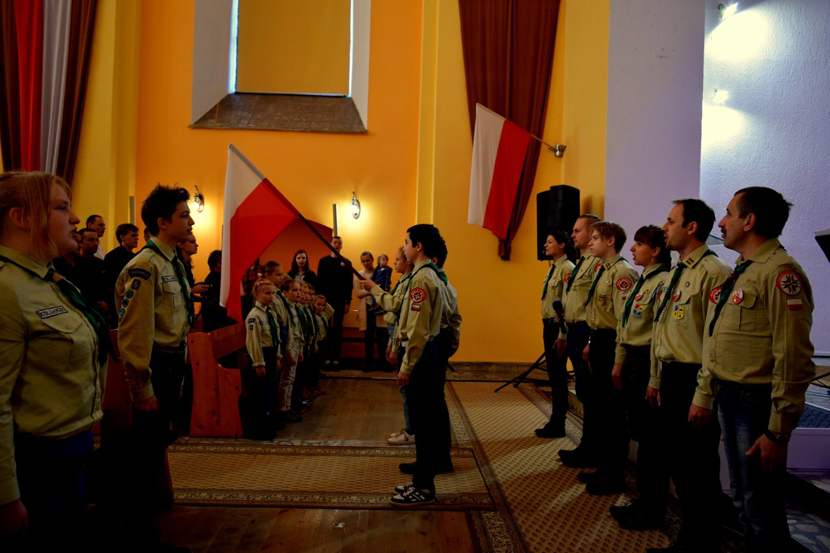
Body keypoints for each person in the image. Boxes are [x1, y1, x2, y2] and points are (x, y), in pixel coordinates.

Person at [691, 187, 815, 551]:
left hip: (756, 404)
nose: (722, 222)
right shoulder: (745, 270)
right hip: (732, 399)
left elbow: (793, 356)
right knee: (744, 500)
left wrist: (778, 431)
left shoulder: (779, 272)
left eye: (729, 213)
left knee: (760, 506)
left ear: (749, 221)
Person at [0, 172, 109, 551]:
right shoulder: (7, 287)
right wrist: (5, 496)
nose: (76, 218)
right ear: (22, 217)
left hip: (70, 454)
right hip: (34, 467)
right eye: (62, 208)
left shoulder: (47, 280)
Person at [646, 198, 732, 553]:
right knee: (680, 465)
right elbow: (663, 329)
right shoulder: (678, 272)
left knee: (697, 468)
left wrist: (704, 394)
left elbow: (714, 341)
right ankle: (692, 537)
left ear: (691, 227)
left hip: (694, 380)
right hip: (671, 375)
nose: (663, 228)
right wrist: (655, 379)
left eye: (670, 221)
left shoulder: (714, 272)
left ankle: (702, 541)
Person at [114, 184, 194, 553]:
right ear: (162, 222)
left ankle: (147, 528)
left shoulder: (171, 261)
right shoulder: (145, 266)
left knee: (155, 447)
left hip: (171, 364)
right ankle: (139, 535)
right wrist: (142, 387)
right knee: (143, 456)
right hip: (155, 367)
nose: (191, 221)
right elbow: (135, 333)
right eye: (183, 215)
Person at [373, 224, 447, 507]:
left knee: (423, 422)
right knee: (422, 419)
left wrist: (406, 365)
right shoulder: (421, 275)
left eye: (406, 242)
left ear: (418, 246)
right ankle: (420, 481)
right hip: (422, 352)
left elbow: (417, 330)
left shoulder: (422, 279)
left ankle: (424, 487)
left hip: (420, 354)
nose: (403, 248)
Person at [608, 225, 671, 530]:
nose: (632, 249)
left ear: (655, 251)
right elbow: (626, 324)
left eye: (639, 244)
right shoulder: (644, 281)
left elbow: (659, 333)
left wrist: (654, 377)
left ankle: (651, 507)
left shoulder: (662, 282)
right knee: (641, 433)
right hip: (634, 359)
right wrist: (620, 360)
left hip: (648, 361)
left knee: (651, 440)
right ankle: (644, 501)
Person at [577, 221, 638, 495]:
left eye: (596, 238)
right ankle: (603, 467)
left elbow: (623, 321)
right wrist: (591, 342)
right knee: (601, 409)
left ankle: (614, 474)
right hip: (600, 341)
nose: (590, 242)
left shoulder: (622, 273)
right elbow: (597, 314)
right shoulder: (602, 270)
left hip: (614, 344)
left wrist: (619, 358)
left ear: (610, 240)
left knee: (614, 414)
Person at [556, 214, 602, 467]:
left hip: (586, 331)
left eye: (577, 231)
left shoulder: (596, 263)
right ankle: (587, 444)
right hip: (574, 330)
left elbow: (597, 305)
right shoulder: (582, 262)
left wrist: (591, 340)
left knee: (591, 393)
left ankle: (591, 448)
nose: (572, 235)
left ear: (593, 232)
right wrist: (564, 334)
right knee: (583, 390)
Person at [536, 229, 576, 439]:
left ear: (562, 245)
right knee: (553, 374)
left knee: (558, 376)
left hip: (558, 327)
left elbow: (567, 304)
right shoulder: (554, 268)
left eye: (550, 241)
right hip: (549, 325)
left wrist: (563, 334)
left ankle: (558, 422)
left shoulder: (567, 268)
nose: (545, 245)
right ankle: (555, 419)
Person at [374, 247, 416, 446]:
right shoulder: (402, 281)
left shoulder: (410, 282)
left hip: (403, 338)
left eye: (398, 259)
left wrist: (373, 289)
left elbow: (397, 310)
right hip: (395, 334)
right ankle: (410, 427)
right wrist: (391, 343)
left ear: (407, 261)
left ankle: (412, 431)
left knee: (406, 389)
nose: (394, 263)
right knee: (404, 389)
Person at [244, 279, 282, 440]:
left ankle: (267, 424)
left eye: (273, 293)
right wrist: (258, 363)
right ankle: (256, 429)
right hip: (261, 356)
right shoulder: (254, 316)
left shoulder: (270, 312)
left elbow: (276, 336)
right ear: (256, 295)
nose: (271, 296)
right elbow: (254, 342)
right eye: (267, 293)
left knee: (268, 392)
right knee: (259, 394)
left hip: (271, 354)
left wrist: (278, 356)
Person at [316, 236, 353, 368]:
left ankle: (336, 358)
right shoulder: (323, 261)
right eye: (335, 242)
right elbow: (319, 281)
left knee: (337, 329)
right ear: (330, 244)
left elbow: (349, 285)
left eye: (339, 243)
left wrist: (348, 302)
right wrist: (319, 300)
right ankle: (326, 358)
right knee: (325, 328)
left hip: (340, 301)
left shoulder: (346, 262)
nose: (337, 245)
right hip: (325, 301)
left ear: (341, 246)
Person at [275, 277, 305, 423]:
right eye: (295, 290)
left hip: (296, 344)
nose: (299, 293)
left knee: (290, 379)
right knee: (285, 379)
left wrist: (300, 349)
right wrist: (289, 351)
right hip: (289, 346)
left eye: (299, 290)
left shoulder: (296, 307)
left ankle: (287, 407)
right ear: (285, 293)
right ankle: (281, 409)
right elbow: (288, 331)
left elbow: (299, 330)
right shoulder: (285, 308)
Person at [355, 251, 389, 371]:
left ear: (373, 260)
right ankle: (368, 363)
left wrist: (374, 289)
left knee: (382, 337)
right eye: (363, 261)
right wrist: (372, 289)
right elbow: (358, 293)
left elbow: (385, 289)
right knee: (368, 338)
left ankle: (383, 362)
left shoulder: (381, 272)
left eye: (368, 260)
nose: (366, 263)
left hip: (379, 308)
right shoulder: (359, 275)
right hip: (367, 308)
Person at [105, 223, 139, 326]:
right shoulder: (112, 256)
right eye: (133, 235)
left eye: (137, 235)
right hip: (117, 304)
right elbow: (109, 283)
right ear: (122, 237)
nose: (137, 238)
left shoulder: (135, 257)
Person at [75, 228, 109, 317]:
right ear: (80, 242)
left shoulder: (100, 263)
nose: (95, 243)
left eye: (97, 240)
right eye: (91, 240)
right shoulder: (73, 263)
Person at [201, 250, 234, 332]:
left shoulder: (227, 277)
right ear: (214, 265)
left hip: (228, 319)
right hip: (216, 321)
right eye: (221, 263)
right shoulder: (209, 281)